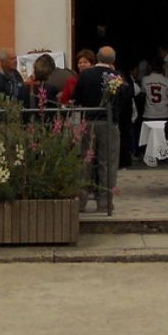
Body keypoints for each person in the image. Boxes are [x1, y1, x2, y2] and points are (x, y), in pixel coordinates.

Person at [72, 45, 123, 213]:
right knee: (107, 163)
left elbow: (77, 97)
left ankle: (81, 201)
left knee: (85, 162)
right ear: (113, 61)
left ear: (98, 58)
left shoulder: (85, 75)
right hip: (109, 124)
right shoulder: (117, 76)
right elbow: (124, 97)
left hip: (88, 122)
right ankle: (105, 203)